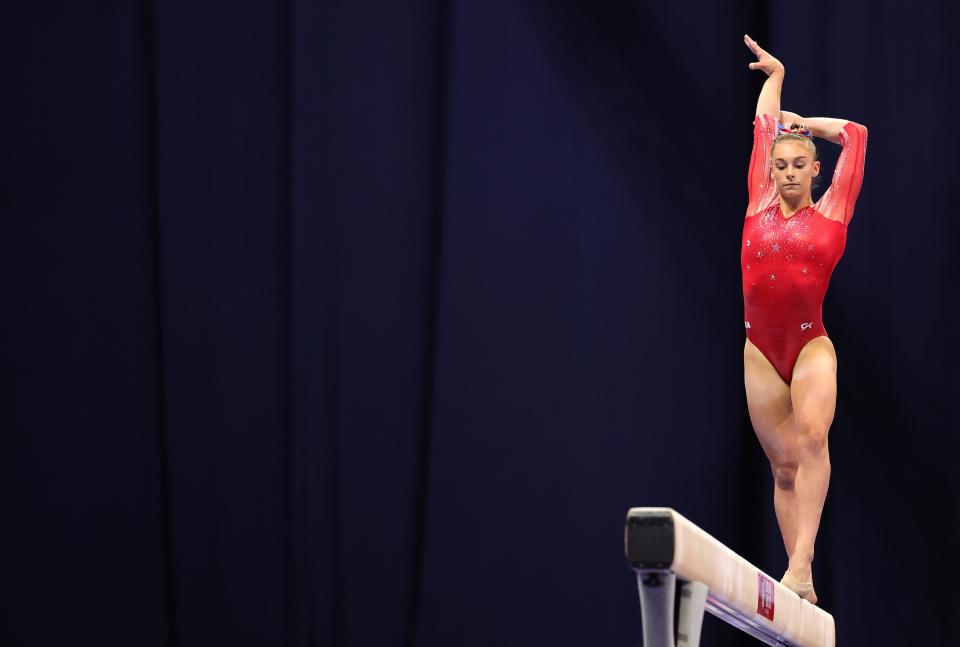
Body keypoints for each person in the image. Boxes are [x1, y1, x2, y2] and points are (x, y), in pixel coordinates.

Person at [741, 33, 868, 605]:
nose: (788, 173)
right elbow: (763, 120)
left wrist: (803, 124)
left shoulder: (833, 210)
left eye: (799, 166)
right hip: (760, 352)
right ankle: (801, 589)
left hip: (810, 344)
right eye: (781, 165)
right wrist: (776, 77)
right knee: (784, 469)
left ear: (816, 170)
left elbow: (855, 136)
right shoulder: (758, 198)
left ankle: (801, 563)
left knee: (813, 438)